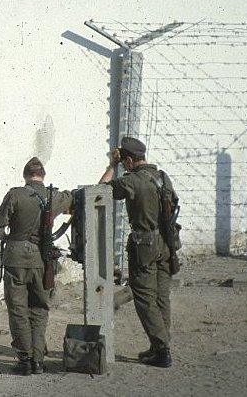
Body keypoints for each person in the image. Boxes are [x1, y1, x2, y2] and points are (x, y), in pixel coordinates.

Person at [98, 137, 177, 368]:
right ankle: (159, 344)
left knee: (143, 297)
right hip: (166, 243)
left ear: (130, 161)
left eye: (124, 163)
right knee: (161, 296)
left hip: (144, 244)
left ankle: (162, 350)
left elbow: (99, 190)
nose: (124, 166)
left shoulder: (132, 181)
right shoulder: (163, 177)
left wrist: (112, 167)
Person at [0, 157, 72, 375]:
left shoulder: (15, 194)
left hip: (15, 258)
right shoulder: (54, 196)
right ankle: (38, 360)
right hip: (42, 261)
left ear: (25, 176)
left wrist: (11, 240)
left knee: (18, 309)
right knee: (39, 309)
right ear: (43, 176)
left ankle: (25, 360)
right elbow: (74, 201)